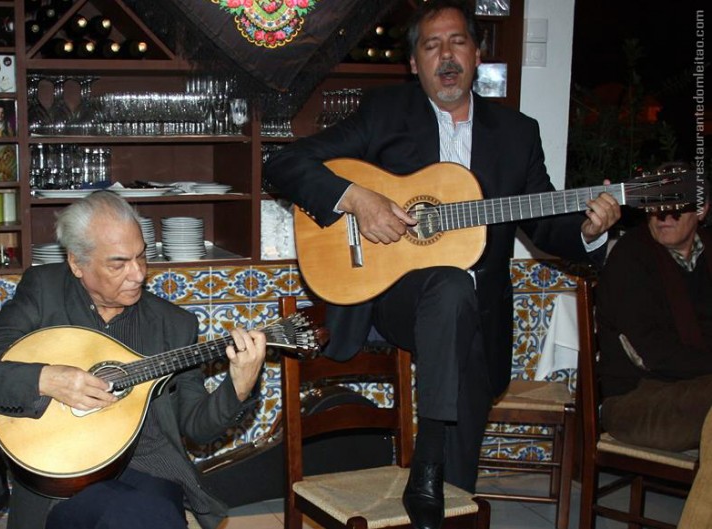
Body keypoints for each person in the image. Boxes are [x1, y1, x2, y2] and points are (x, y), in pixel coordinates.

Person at [264, 1, 621, 528]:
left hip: (476, 315)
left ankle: (442, 491)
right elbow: (283, 163)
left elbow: (544, 223)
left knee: (462, 313)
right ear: (414, 64)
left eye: (457, 42)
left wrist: (588, 231)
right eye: (431, 46)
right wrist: (357, 199)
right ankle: (430, 460)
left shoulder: (517, 132)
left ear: (477, 54)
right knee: (451, 287)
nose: (446, 56)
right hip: (396, 297)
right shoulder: (387, 113)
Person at [0, 191, 267, 529]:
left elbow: (196, 426)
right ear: (77, 263)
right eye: (118, 263)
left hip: (148, 470)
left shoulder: (173, 324)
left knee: (141, 514)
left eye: (141, 257)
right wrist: (46, 379)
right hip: (60, 476)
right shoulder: (44, 292)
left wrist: (239, 386)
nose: (137, 274)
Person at [596, 165, 712, 452]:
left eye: (675, 208)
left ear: (702, 210)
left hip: (695, 388)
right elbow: (652, 352)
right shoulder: (631, 257)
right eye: (655, 206)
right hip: (636, 398)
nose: (663, 217)